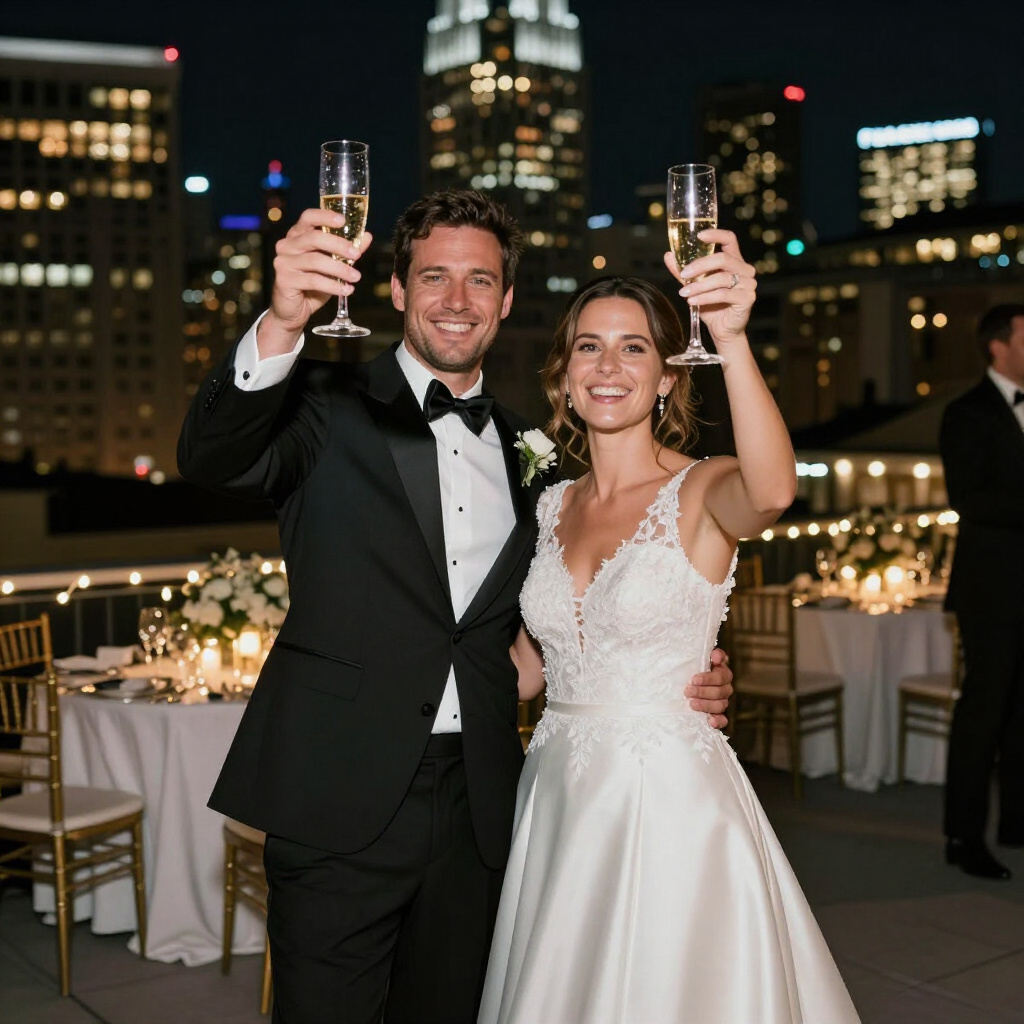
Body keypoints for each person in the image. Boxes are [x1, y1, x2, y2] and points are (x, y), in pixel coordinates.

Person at [177, 188, 735, 1024]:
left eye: (480, 280)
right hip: (338, 797)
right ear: (395, 290)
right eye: (434, 276)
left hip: (484, 804)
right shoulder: (321, 406)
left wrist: (683, 670)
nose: (457, 299)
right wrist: (283, 322)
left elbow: (570, 614)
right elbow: (211, 459)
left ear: (507, 301)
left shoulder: (536, 457)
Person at [478, 238, 861, 1023]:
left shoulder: (702, 488)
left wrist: (731, 335)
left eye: (633, 348)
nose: (608, 366)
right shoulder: (549, 506)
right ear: (564, 374)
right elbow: (526, 667)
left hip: (669, 802)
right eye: (589, 346)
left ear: (665, 376)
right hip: (555, 795)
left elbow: (775, 488)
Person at [940, 303, 1024, 881]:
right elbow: (969, 499)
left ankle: (1017, 821)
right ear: (999, 346)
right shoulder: (965, 413)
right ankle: (962, 836)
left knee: (1023, 713)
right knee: (984, 712)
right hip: (990, 589)